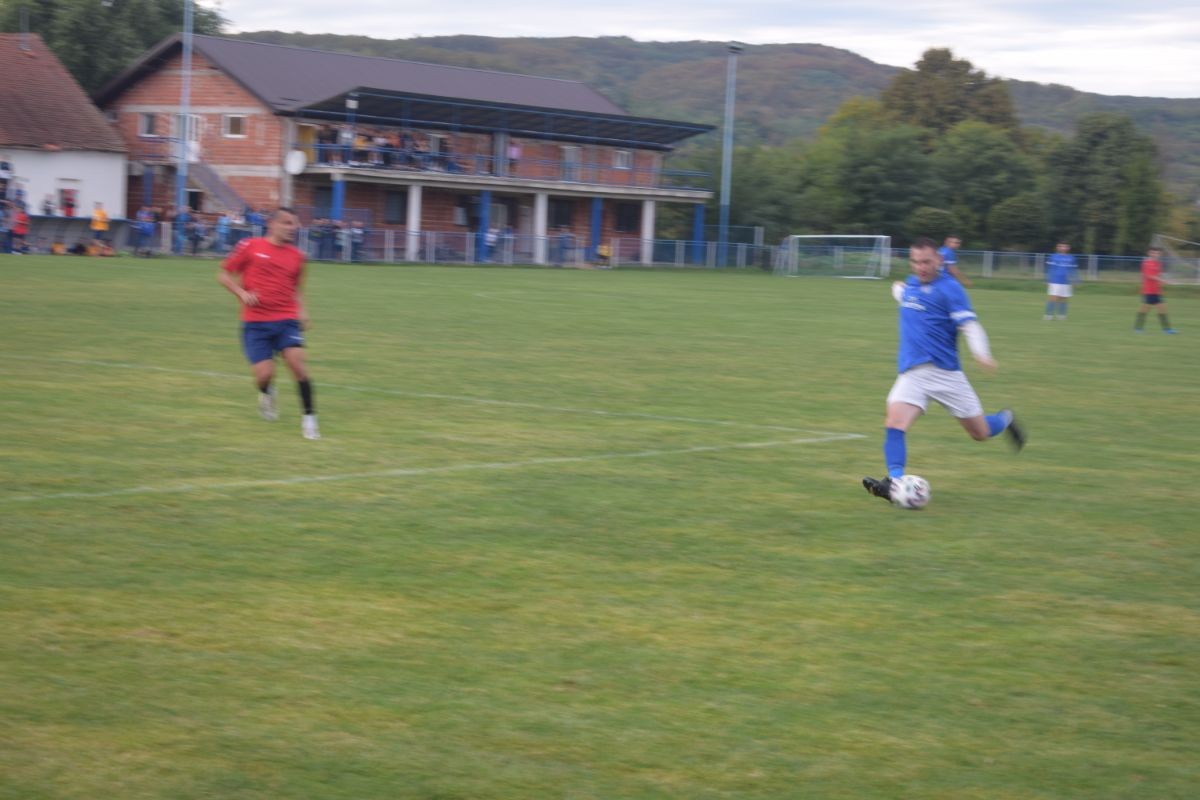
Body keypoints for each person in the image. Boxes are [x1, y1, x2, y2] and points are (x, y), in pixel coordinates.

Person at [862, 237, 1025, 504]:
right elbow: (903, 293)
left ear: (939, 260)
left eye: (926, 261)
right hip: (912, 373)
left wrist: (981, 354)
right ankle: (894, 483)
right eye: (916, 262)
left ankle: (1005, 419)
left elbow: (970, 326)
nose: (921, 267)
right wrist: (898, 289)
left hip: (946, 375)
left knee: (980, 433)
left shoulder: (950, 289)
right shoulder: (912, 284)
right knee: (894, 424)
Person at [216, 207, 321, 439]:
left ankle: (310, 420)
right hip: (255, 323)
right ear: (272, 224)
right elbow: (223, 275)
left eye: (294, 224)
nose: (292, 228)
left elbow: (296, 289)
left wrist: (303, 312)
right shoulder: (250, 246)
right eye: (287, 223)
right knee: (264, 374)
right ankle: (266, 392)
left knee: (298, 366)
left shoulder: (298, 257)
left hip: (286, 320)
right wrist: (242, 293)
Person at [1134, 246, 1177, 334]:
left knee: (1162, 310)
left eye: (1157, 253)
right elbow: (1149, 276)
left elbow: (1158, 275)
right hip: (1148, 291)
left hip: (1157, 291)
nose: (1156, 254)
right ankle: (1138, 328)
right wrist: (1162, 280)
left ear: (1160, 254)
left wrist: (1163, 282)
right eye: (1153, 253)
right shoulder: (1146, 263)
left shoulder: (1158, 263)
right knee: (1144, 310)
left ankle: (1167, 329)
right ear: (1149, 253)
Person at [1043, 241, 1079, 320]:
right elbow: (1049, 269)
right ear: (1058, 247)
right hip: (1055, 280)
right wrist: (1047, 279)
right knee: (1053, 298)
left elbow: (1073, 270)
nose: (1063, 248)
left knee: (1063, 298)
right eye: (1061, 246)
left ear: (1068, 248)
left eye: (1065, 246)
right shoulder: (1053, 257)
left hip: (1066, 281)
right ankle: (1048, 315)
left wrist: (1076, 280)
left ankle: (1061, 316)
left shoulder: (1071, 258)